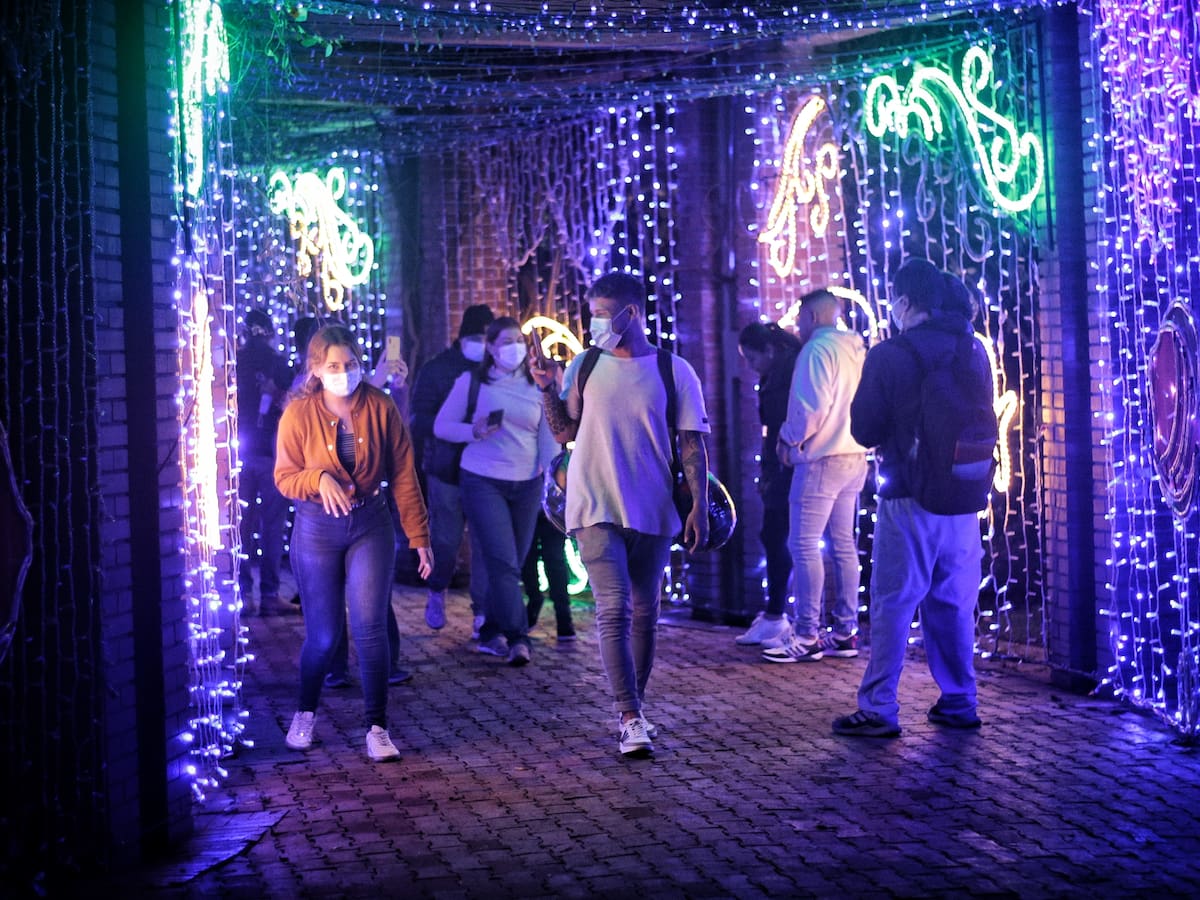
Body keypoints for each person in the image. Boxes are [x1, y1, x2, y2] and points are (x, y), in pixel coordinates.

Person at [530, 272, 711, 757]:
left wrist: (698, 504)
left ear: (632, 314)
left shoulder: (674, 370)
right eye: (592, 314)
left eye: (603, 314)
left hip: (651, 504)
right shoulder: (586, 364)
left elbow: (692, 443)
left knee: (645, 610)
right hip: (593, 502)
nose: (595, 324)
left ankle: (636, 706)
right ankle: (629, 715)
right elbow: (565, 432)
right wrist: (547, 388)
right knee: (614, 607)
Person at [832, 259, 987, 738]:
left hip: (907, 495)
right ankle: (960, 699)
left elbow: (864, 429)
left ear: (904, 301)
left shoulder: (891, 354)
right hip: (964, 494)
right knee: (954, 603)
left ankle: (879, 707)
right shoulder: (972, 348)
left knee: (894, 602)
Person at [275, 324, 433, 761]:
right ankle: (305, 713)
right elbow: (284, 477)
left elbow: (403, 474)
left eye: (350, 364)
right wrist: (318, 478)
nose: (343, 372)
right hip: (316, 529)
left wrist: (419, 535)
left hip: (369, 524)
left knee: (370, 628)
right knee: (324, 637)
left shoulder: (380, 406)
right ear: (315, 369)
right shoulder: (298, 414)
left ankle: (377, 727)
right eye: (333, 366)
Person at [434, 316, 557, 666]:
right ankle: (518, 637)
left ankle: (490, 629)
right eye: (506, 342)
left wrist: (553, 477)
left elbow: (547, 434)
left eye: (519, 341)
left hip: (527, 482)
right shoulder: (472, 382)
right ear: (490, 347)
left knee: (510, 560)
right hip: (482, 478)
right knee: (504, 562)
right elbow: (442, 426)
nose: (514, 348)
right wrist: (472, 431)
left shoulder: (537, 383)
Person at [762, 290, 868, 664]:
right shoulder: (856, 348)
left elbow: (811, 408)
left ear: (812, 316)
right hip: (854, 455)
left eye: (800, 318)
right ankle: (845, 630)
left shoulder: (816, 351)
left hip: (821, 458)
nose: (797, 325)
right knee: (843, 545)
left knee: (804, 543)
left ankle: (807, 633)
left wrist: (787, 439)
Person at [409, 304, 495, 635]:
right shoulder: (438, 369)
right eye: (477, 337)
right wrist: (455, 426)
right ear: (463, 337)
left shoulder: (496, 369)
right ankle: (437, 589)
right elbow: (419, 418)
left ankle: (482, 613)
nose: (482, 344)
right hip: (447, 468)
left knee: (485, 544)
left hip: (487, 469)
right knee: (446, 542)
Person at [733, 321, 803, 646]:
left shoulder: (788, 374)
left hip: (789, 466)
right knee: (774, 537)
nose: (751, 366)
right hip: (779, 466)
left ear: (770, 351)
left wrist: (776, 466)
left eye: (752, 358)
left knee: (780, 538)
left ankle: (781, 616)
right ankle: (775, 613)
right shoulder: (776, 374)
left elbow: (782, 424)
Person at [237, 309, 294, 616]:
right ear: (270, 332)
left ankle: (244, 594)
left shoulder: (235, 360)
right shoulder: (278, 362)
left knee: (242, 526)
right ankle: (270, 594)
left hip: (240, 451)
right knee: (273, 527)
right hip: (274, 454)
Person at [521, 511, 576, 641]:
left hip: (549, 510)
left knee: (549, 560)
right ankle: (562, 616)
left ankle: (560, 614)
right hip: (547, 509)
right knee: (549, 561)